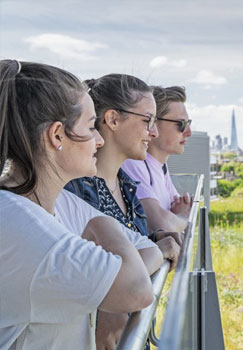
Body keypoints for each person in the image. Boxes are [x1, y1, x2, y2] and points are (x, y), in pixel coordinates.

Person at [0, 59, 161, 349]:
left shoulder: (54, 201)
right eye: (90, 127)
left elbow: (145, 249)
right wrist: (105, 222)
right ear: (57, 135)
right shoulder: (24, 229)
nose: (98, 140)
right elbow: (137, 290)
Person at [64, 74, 181, 349]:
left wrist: (154, 239)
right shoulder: (75, 193)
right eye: (147, 121)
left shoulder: (128, 186)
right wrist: (157, 251)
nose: (153, 133)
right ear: (113, 120)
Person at [122, 85, 193, 234]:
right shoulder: (133, 163)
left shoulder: (161, 165)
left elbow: (171, 218)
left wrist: (176, 217)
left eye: (188, 123)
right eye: (181, 124)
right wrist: (185, 217)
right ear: (154, 122)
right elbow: (160, 224)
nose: (188, 132)